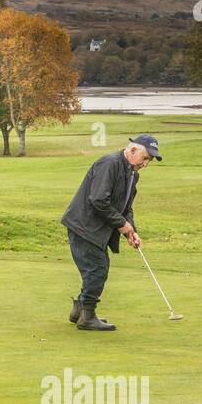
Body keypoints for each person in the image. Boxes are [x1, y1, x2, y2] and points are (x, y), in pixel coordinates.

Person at [61, 134, 162, 331]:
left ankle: (80, 310)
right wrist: (121, 224)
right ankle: (87, 316)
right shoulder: (110, 163)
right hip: (84, 225)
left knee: (97, 268)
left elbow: (126, 207)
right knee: (98, 268)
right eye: (145, 158)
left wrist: (130, 230)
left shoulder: (132, 174)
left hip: (95, 227)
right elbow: (98, 200)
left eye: (149, 160)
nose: (145, 164)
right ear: (133, 150)